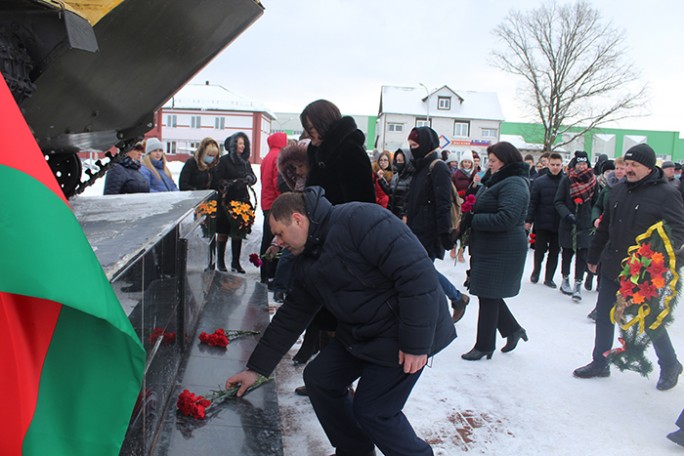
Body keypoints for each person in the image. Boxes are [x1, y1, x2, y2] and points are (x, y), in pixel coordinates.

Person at [227, 188, 456, 456]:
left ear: (298, 220)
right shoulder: (307, 258)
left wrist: (417, 344)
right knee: (320, 379)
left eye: (280, 233)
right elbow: (292, 316)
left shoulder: (361, 220)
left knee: (375, 410)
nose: (277, 242)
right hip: (362, 332)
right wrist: (256, 369)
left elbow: (417, 275)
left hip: (406, 328)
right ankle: (354, 450)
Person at [574, 144, 684, 391]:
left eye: (635, 165)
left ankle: (670, 364)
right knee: (604, 316)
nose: (629, 169)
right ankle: (600, 362)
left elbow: (677, 231)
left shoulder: (667, 193)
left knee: (647, 320)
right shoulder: (619, 190)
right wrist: (593, 256)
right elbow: (605, 227)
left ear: (649, 166)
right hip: (613, 264)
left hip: (643, 271)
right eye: (627, 164)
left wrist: (654, 256)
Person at [460, 141, 530, 361]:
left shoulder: (514, 184)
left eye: (493, 161)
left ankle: (484, 345)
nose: (489, 165)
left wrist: (474, 219)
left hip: (504, 249)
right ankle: (512, 330)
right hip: (492, 247)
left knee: (488, 295)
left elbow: (506, 218)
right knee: (488, 293)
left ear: (506, 161)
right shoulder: (499, 180)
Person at [405, 126, 470, 323]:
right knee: (419, 272)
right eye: (410, 145)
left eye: (415, 145)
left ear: (426, 144)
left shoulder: (437, 166)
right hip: (414, 230)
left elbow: (442, 204)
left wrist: (445, 234)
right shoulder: (420, 166)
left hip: (429, 232)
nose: (412, 149)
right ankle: (455, 299)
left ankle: (455, 299)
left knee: (421, 272)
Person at [554, 150, 598, 301]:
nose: (581, 166)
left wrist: (592, 218)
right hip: (568, 223)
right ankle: (565, 278)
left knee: (582, 254)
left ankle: (578, 282)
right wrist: (567, 214)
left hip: (585, 225)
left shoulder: (593, 181)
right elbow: (558, 201)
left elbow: (596, 203)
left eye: (584, 163)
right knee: (567, 252)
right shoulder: (567, 180)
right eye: (579, 163)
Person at [214, 132, 257, 273]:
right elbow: (218, 179)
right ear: (233, 145)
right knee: (223, 231)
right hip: (226, 202)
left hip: (241, 200)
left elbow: (253, 176)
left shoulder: (245, 162)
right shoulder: (224, 161)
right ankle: (220, 262)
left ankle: (235, 262)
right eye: (240, 143)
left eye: (244, 143)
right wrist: (230, 182)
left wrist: (250, 179)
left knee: (238, 231)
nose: (242, 146)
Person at [525, 152, 564, 288]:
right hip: (542, 223)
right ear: (548, 165)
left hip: (559, 224)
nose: (555, 167)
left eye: (557, 165)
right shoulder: (539, 181)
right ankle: (536, 272)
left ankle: (549, 278)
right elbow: (533, 202)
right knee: (539, 250)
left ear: (562, 165)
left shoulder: (566, 182)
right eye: (552, 164)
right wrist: (528, 220)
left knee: (554, 252)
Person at [259, 132, 288, 284]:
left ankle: (263, 271)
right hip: (275, 204)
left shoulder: (268, 156)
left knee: (266, 238)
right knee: (275, 240)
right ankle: (270, 273)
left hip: (266, 202)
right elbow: (278, 183)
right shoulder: (279, 157)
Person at [387, 148, 414, 220]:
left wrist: (406, 214)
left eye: (400, 161)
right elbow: (390, 192)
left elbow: (411, 200)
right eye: (397, 160)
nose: (398, 163)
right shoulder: (395, 177)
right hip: (392, 215)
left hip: (403, 217)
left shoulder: (412, 178)